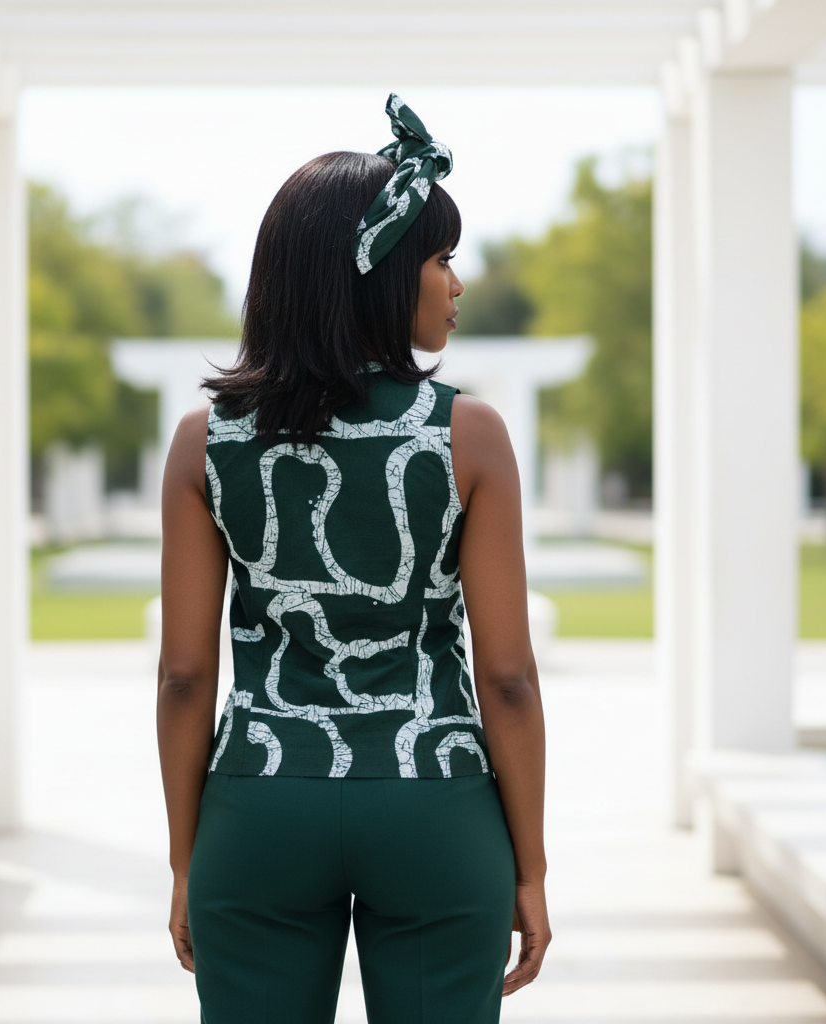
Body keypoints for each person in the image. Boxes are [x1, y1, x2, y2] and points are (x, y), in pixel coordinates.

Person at [157, 94, 549, 1024]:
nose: (457, 283)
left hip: (261, 802)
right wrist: (530, 869)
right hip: (434, 802)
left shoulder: (204, 441)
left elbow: (184, 676)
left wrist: (185, 861)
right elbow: (507, 676)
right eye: (442, 258)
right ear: (380, 272)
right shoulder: (469, 435)